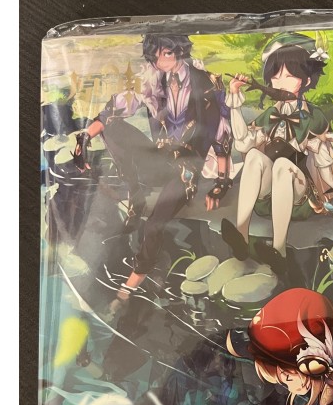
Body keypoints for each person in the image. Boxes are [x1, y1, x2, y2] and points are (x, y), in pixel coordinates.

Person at [71, 33, 233, 304]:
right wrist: (84, 138)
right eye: (156, 56)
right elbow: (116, 108)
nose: (162, 61)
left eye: (167, 53)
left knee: (155, 225)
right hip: (159, 158)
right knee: (112, 126)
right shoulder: (152, 79)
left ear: (180, 50)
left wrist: (222, 183)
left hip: (187, 167)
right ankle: (136, 195)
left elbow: (222, 133)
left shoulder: (205, 83)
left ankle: (131, 285)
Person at [220, 33, 333, 277]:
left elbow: (324, 159)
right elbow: (243, 143)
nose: (280, 82)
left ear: (306, 80)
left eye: (289, 76)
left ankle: (279, 250)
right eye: (276, 76)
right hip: (269, 195)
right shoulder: (270, 114)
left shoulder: (314, 116)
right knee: (254, 156)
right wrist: (235, 104)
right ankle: (241, 235)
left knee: (283, 164)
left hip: (298, 195)